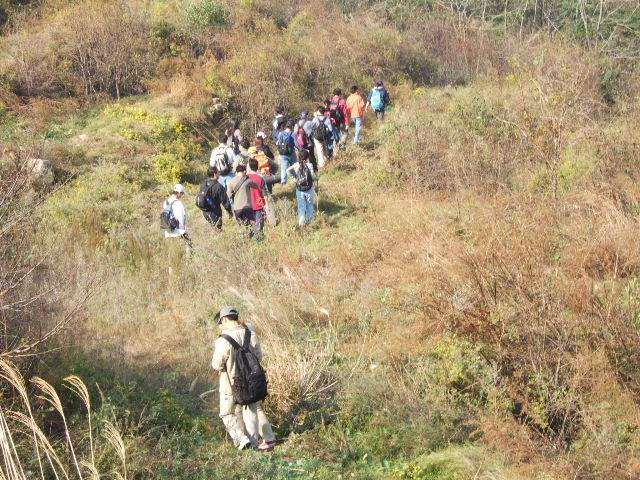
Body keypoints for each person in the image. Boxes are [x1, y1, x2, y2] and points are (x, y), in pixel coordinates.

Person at [211, 306, 277, 451]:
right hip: (252, 382)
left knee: (226, 413)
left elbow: (217, 364)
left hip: (230, 384)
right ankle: (253, 444)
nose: (220, 325)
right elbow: (259, 357)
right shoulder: (250, 334)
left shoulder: (223, 340)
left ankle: (242, 440)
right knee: (251, 411)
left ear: (225, 319)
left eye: (221, 322)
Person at [227, 165, 261, 238]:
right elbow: (257, 186)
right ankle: (251, 239)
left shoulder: (231, 181)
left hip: (237, 208)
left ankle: (243, 239)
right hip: (247, 207)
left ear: (236, 172)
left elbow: (229, 195)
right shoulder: (247, 180)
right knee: (251, 225)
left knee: (241, 226)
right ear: (244, 171)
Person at [287, 149, 317, 227]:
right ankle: (310, 222)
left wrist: (294, 179)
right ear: (307, 157)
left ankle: (301, 223)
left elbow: (287, 170)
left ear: (298, 157)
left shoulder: (296, 165)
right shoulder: (310, 165)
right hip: (309, 189)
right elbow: (313, 176)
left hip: (299, 189)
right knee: (310, 205)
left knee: (301, 206)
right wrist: (317, 178)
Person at [198, 166, 233, 231]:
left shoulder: (203, 183)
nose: (219, 173)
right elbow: (225, 201)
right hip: (215, 212)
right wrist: (230, 212)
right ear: (215, 174)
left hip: (205, 211)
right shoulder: (218, 186)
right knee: (218, 230)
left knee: (214, 229)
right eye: (218, 172)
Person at [246, 158, 268, 237]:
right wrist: (267, 206)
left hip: (248, 205)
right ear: (257, 166)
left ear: (249, 166)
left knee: (250, 226)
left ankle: (251, 239)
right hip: (259, 204)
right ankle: (258, 239)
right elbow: (264, 193)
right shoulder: (260, 178)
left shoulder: (245, 177)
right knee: (259, 226)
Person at [276, 119, 297, 184]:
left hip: (283, 153)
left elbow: (278, 143)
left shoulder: (281, 133)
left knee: (283, 168)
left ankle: (283, 181)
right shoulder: (293, 134)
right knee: (295, 166)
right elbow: (296, 144)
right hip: (291, 153)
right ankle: (296, 178)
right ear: (292, 126)